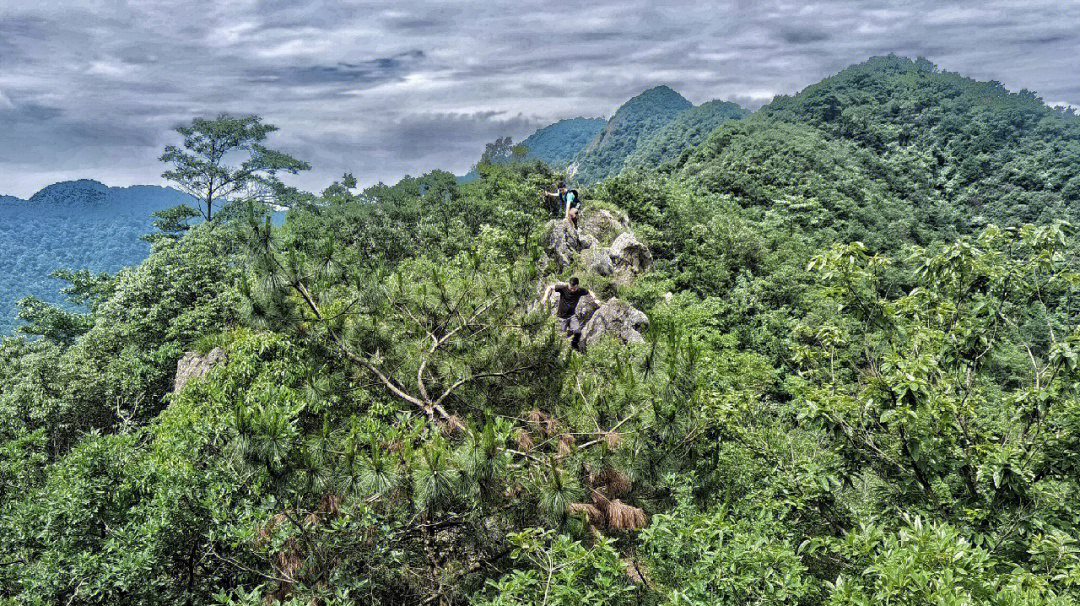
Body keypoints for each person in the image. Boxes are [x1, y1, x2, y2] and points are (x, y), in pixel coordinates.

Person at [543, 277, 598, 349]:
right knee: (560, 337)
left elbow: (589, 291)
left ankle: (574, 346)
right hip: (561, 317)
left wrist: (595, 299)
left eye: (574, 288)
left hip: (572, 316)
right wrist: (545, 297)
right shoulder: (563, 288)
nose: (572, 290)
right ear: (569, 285)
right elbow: (550, 287)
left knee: (578, 332)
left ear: (577, 286)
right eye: (571, 288)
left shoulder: (580, 291)